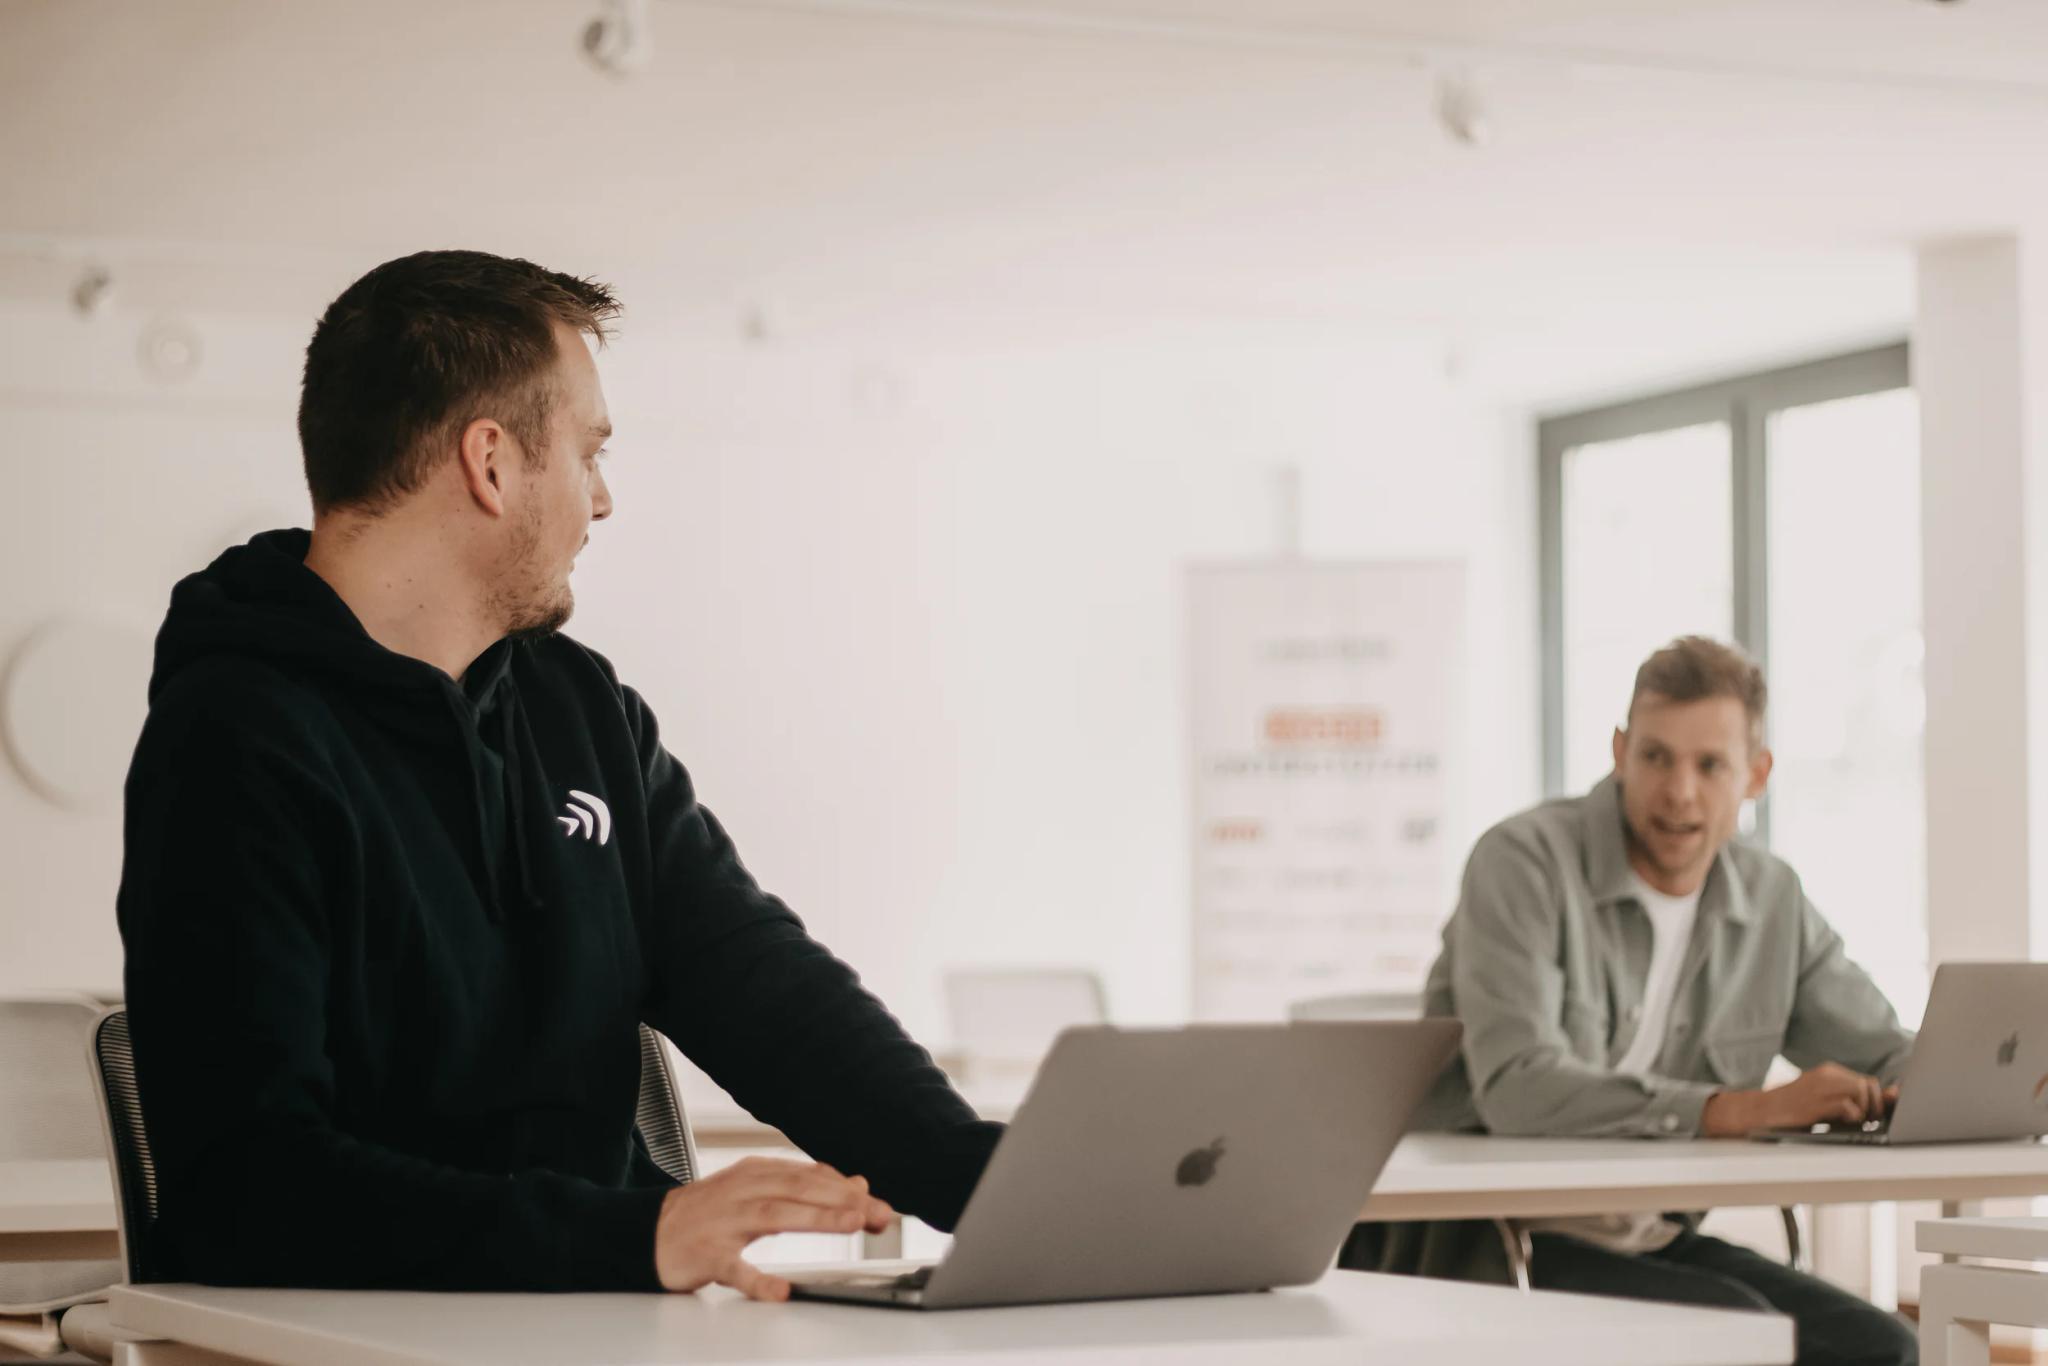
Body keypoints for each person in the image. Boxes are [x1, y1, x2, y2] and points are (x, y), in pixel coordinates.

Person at [116, 249, 1000, 1300]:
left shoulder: (578, 710)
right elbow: (247, 1190)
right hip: (369, 1336)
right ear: (490, 462)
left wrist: (1008, 1189)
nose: (604, 498)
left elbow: (764, 991)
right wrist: (637, 1237)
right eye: (590, 451)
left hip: (597, 1318)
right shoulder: (237, 737)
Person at [1340, 635, 1918, 1366]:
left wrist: (1990, 1079)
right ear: (1619, 751)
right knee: (1740, 1335)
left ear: (1756, 775)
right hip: (1490, 1242)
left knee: (1884, 1349)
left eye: (1709, 765)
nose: (1678, 791)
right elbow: (1519, 1087)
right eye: (1655, 756)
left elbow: (1887, 1052)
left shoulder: (1772, 900)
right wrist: (1742, 1108)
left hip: (1646, 1234)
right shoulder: (1522, 864)